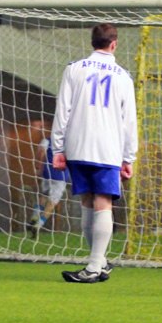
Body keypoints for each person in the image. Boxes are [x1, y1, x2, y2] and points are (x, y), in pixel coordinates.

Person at [51, 23, 138, 283]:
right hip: (107, 147)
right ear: (114, 44)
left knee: (88, 202)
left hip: (78, 145)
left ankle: (97, 264)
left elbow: (62, 110)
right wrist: (128, 156)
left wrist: (58, 147)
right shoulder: (123, 76)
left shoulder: (74, 69)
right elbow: (129, 120)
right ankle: (95, 266)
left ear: (92, 42)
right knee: (103, 202)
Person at [28, 132, 70, 237]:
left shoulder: (47, 140)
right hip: (61, 175)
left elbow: (41, 153)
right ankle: (39, 224)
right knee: (52, 202)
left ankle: (35, 216)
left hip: (47, 172)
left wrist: (38, 167)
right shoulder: (70, 142)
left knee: (44, 196)